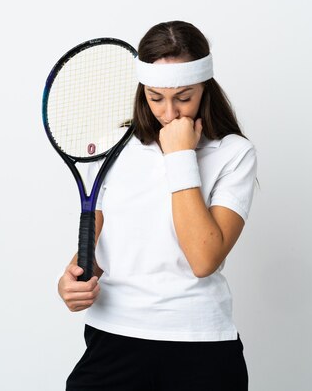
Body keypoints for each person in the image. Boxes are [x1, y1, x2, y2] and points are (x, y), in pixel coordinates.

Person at [58, 20, 257, 391]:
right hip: (112, 340)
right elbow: (99, 253)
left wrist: (180, 155)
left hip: (200, 347)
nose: (169, 112)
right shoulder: (112, 146)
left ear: (205, 89)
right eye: (155, 97)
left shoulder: (233, 153)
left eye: (184, 97)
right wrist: (71, 282)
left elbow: (203, 259)